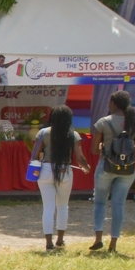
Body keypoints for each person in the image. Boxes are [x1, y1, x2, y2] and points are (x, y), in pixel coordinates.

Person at [88, 89, 135, 252]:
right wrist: (128, 149)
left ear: (113, 104)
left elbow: (93, 150)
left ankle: (98, 238)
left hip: (106, 166)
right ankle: (113, 243)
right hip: (127, 169)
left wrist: (105, 146)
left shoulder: (103, 122)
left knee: (100, 202)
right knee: (119, 204)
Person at [32, 105, 90, 252]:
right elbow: (80, 157)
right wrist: (87, 167)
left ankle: (48, 243)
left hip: (45, 170)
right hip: (65, 170)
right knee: (63, 206)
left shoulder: (43, 133)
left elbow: (34, 155)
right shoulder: (73, 135)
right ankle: (60, 240)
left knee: (48, 207)